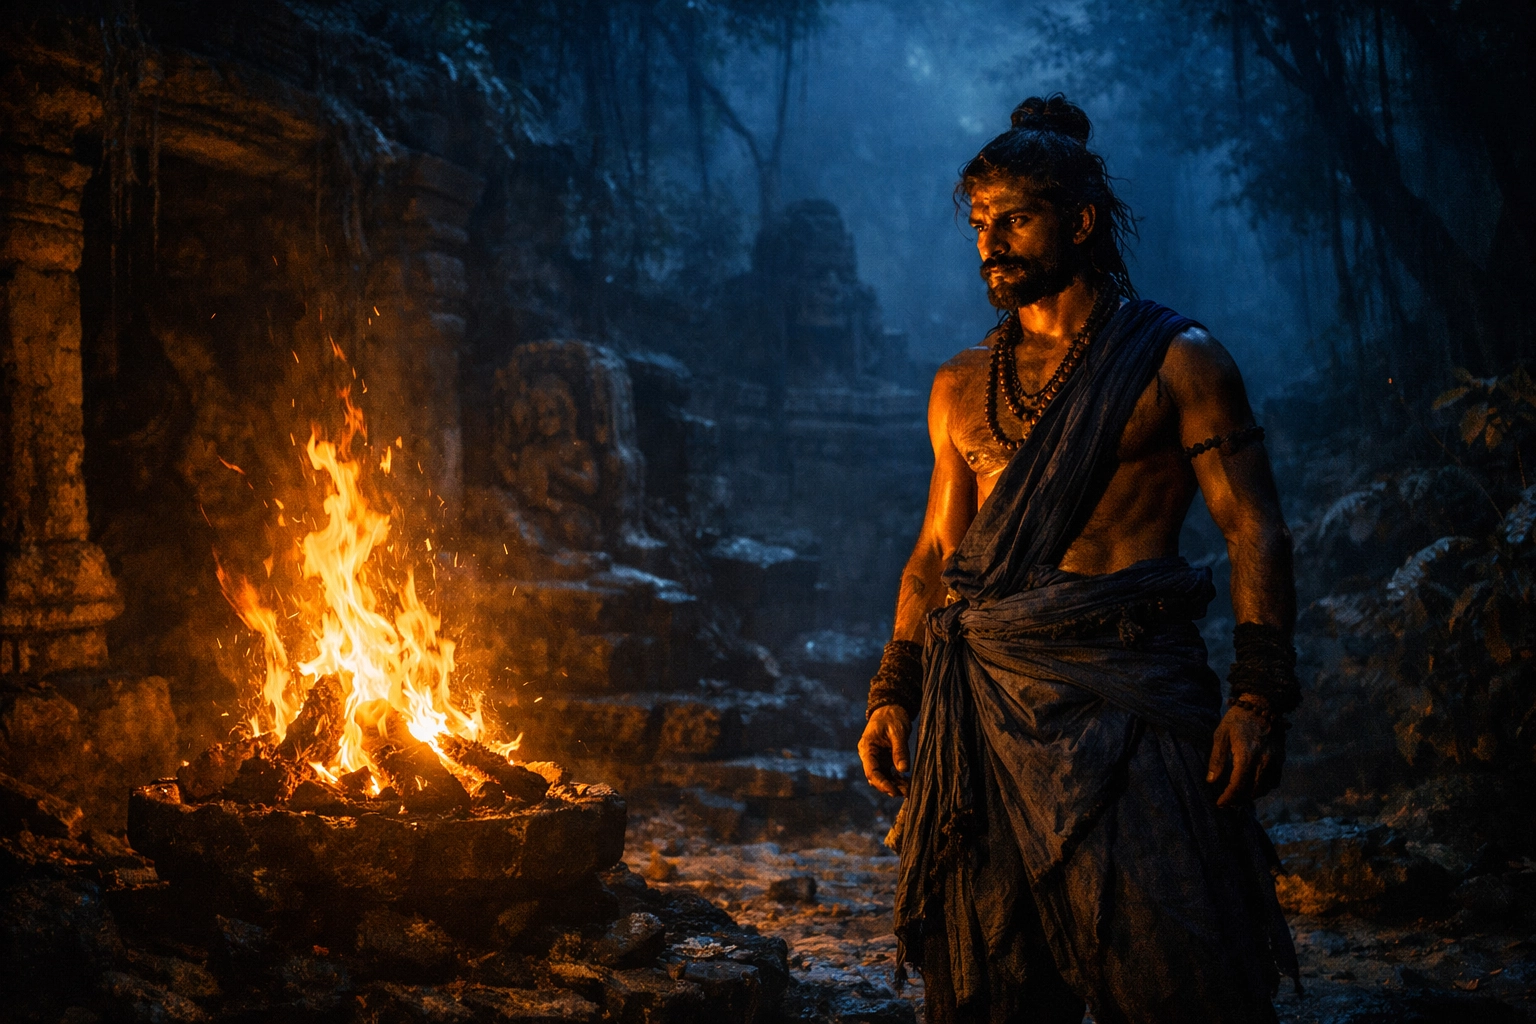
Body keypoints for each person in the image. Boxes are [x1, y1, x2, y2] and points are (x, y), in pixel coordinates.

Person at [857, 94, 1300, 1024]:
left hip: (1132, 697)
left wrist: (1258, 695)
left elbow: (1253, 528)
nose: (990, 244)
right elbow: (937, 552)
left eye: (1014, 220)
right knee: (994, 988)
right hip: (986, 707)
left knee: (1179, 982)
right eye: (980, 224)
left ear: (1082, 222)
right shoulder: (959, 385)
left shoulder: (1180, 361)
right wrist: (893, 688)